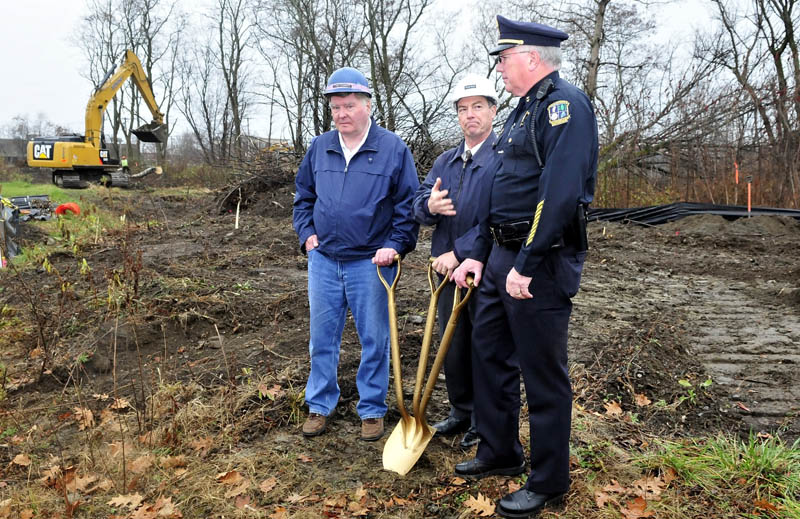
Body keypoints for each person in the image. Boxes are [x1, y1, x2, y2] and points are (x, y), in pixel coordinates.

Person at [451, 15, 598, 518]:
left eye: (504, 59)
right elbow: (503, 192)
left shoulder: (563, 107)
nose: (499, 68)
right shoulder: (520, 111)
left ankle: (550, 480)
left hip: (540, 262)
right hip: (500, 257)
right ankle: (499, 450)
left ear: (531, 58)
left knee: (542, 374)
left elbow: (557, 197)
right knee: (488, 353)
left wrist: (527, 264)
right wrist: (480, 254)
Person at [293, 67, 420, 442]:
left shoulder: (392, 149)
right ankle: (319, 405)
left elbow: (407, 206)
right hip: (324, 260)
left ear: (367, 105)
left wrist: (395, 246)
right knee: (322, 339)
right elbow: (304, 197)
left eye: (348, 106)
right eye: (335, 108)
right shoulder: (320, 146)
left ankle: (371, 409)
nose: (341, 114)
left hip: (370, 263)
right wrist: (307, 236)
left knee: (374, 338)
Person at [412, 74, 501, 449]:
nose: (470, 116)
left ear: (493, 111)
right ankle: (460, 410)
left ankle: (485, 419)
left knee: (485, 343)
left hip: (486, 268)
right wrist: (428, 206)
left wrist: (461, 251)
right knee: (453, 342)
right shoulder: (445, 162)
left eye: (478, 107)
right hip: (445, 271)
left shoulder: (504, 160)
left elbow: (498, 216)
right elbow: (418, 202)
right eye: (463, 109)